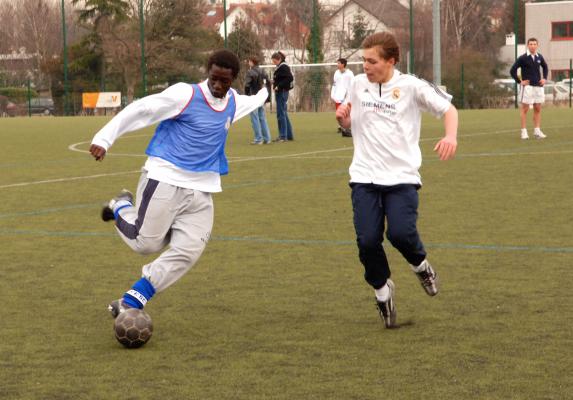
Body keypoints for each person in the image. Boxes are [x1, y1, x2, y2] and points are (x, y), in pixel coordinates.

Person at [89, 49, 268, 318]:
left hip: (202, 191)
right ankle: (120, 205)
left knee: (189, 250)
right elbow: (142, 109)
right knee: (145, 244)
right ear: (208, 71)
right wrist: (105, 138)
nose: (218, 86)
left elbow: (253, 101)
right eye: (214, 79)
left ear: (233, 80)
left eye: (225, 81)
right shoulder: (185, 95)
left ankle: (132, 300)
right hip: (165, 179)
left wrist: (266, 91)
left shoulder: (232, 101)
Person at [335, 32, 458, 329]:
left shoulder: (411, 86)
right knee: (367, 242)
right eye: (363, 60)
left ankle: (421, 265)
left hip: (401, 177)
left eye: (372, 61)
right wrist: (343, 119)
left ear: (390, 61)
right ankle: (382, 290)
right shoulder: (356, 83)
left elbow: (449, 109)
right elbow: (351, 120)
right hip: (364, 176)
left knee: (401, 234)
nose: (366, 66)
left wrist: (451, 135)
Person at [510, 37, 548, 140]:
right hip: (527, 88)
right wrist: (520, 81)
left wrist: (544, 78)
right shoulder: (522, 58)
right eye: (531, 44)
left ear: (537, 45)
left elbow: (545, 67)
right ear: (528, 45)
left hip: (538, 87)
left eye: (534, 44)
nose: (532, 46)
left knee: (538, 108)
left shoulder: (539, 57)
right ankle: (523, 132)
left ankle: (537, 131)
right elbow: (512, 70)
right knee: (525, 109)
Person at [245, 56, 272, 145]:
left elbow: (247, 85)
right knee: (262, 117)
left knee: (254, 118)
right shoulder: (263, 71)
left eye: (249, 61)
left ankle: (258, 139)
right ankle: (267, 138)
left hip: (253, 97)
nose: (248, 63)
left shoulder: (250, 72)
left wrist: (246, 96)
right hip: (261, 97)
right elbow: (268, 82)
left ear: (252, 62)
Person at [271, 51, 294, 142]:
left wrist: (278, 86)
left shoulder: (283, 67)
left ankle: (283, 136)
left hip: (282, 92)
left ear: (279, 59)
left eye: (275, 61)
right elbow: (282, 78)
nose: (274, 63)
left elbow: (289, 78)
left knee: (281, 114)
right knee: (283, 113)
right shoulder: (280, 67)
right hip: (281, 92)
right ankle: (289, 135)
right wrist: (274, 82)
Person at [330, 58, 354, 137]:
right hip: (338, 96)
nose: (337, 65)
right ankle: (341, 127)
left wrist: (349, 95)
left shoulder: (349, 74)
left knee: (346, 112)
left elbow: (352, 85)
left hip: (347, 97)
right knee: (339, 113)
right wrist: (333, 94)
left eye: (339, 63)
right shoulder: (336, 73)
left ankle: (347, 127)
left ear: (343, 64)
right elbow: (334, 84)